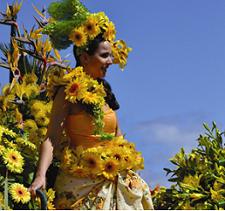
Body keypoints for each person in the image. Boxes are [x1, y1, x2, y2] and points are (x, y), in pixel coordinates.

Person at [29, 0, 154, 209]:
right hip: (80, 183)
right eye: (104, 55)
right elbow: (51, 138)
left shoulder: (106, 93)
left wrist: (129, 172)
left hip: (114, 178)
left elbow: (118, 136)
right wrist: (40, 176)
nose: (110, 61)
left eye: (111, 55)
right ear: (85, 57)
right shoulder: (68, 91)